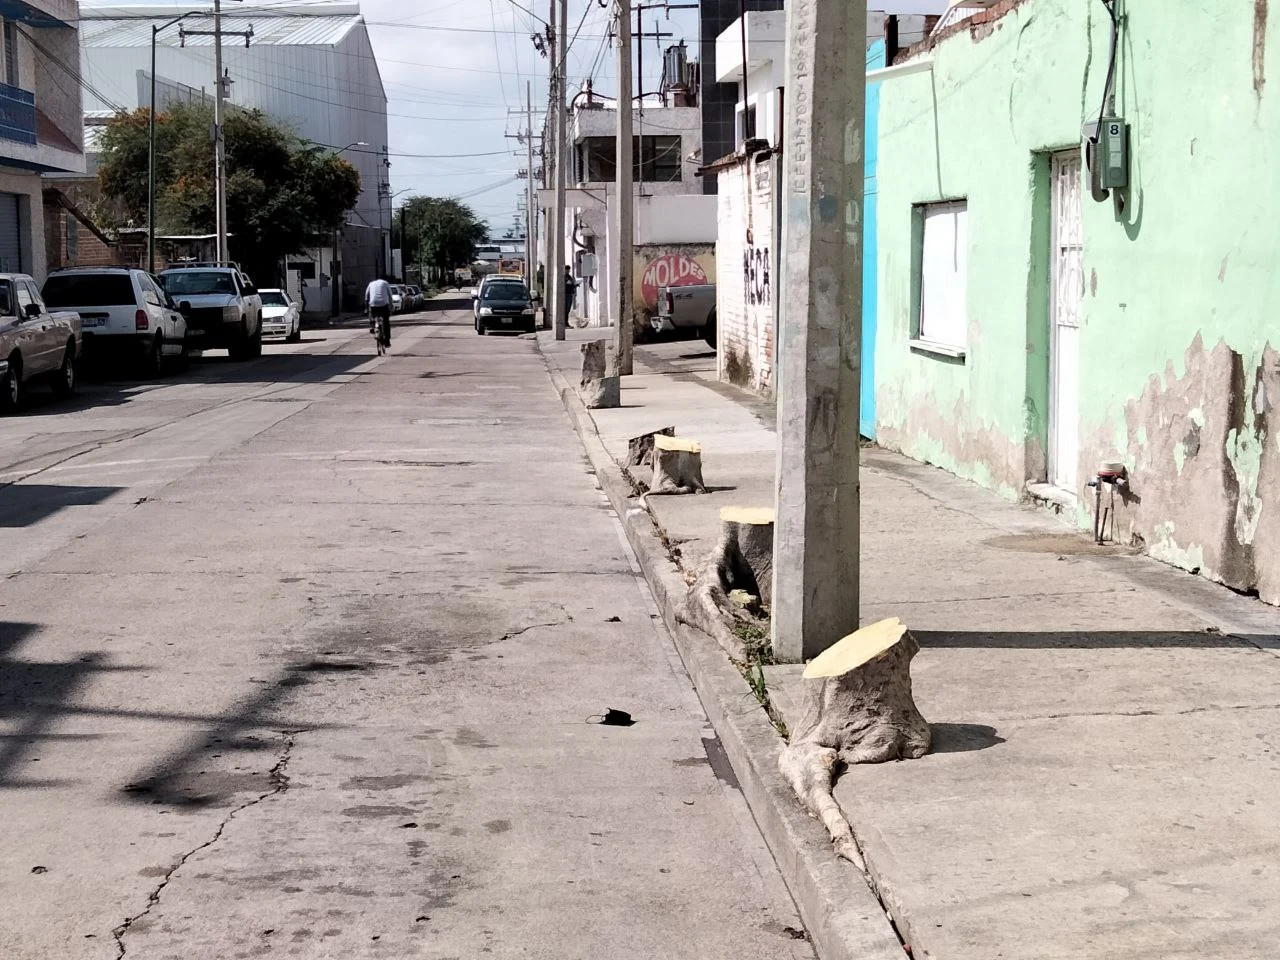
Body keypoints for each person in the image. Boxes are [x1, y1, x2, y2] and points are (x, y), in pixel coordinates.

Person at [365, 276, 392, 347]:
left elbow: (366, 296)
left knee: (371, 314)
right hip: (383, 304)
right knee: (386, 322)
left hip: (373, 304)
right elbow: (390, 295)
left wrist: (366, 308)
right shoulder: (385, 283)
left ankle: (372, 325)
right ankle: (387, 342)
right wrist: (391, 307)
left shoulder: (371, 283)